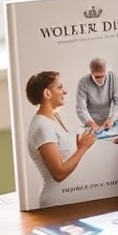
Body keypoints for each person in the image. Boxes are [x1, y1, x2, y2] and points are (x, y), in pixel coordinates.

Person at [25, 71, 96, 207]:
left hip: (69, 199)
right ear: (47, 94)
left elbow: (64, 150)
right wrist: (83, 148)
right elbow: (59, 173)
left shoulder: (55, 117)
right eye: (60, 87)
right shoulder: (42, 126)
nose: (65, 91)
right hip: (56, 202)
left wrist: (82, 141)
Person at [75, 57, 118, 132]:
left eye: (102, 76)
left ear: (106, 72)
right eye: (96, 77)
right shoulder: (83, 82)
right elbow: (80, 108)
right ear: (91, 73)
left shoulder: (113, 78)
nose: (99, 79)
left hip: (109, 119)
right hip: (90, 120)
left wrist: (112, 118)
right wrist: (92, 124)